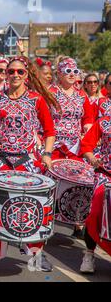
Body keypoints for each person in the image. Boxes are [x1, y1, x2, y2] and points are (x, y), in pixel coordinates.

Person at [0, 56, 58, 272]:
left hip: (26, 160)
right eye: (10, 71)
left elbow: (50, 131)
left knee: (35, 206)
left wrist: (47, 154)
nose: (14, 75)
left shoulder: (36, 99)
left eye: (19, 72)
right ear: (5, 74)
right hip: (1, 158)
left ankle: (36, 255)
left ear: (26, 75)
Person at [79, 116, 111, 274]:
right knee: (94, 214)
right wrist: (92, 158)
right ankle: (89, 254)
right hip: (105, 174)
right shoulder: (105, 121)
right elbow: (86, 145)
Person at [49, 57, 94, 161]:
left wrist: (88, 125)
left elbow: (88, 117)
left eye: (75, 71)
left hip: (75, 147)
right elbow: (41, 118)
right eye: (68, 71)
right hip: (54, 146)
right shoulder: (50, 93)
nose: (72, 74)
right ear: (59, 73)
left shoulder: (81, 95)